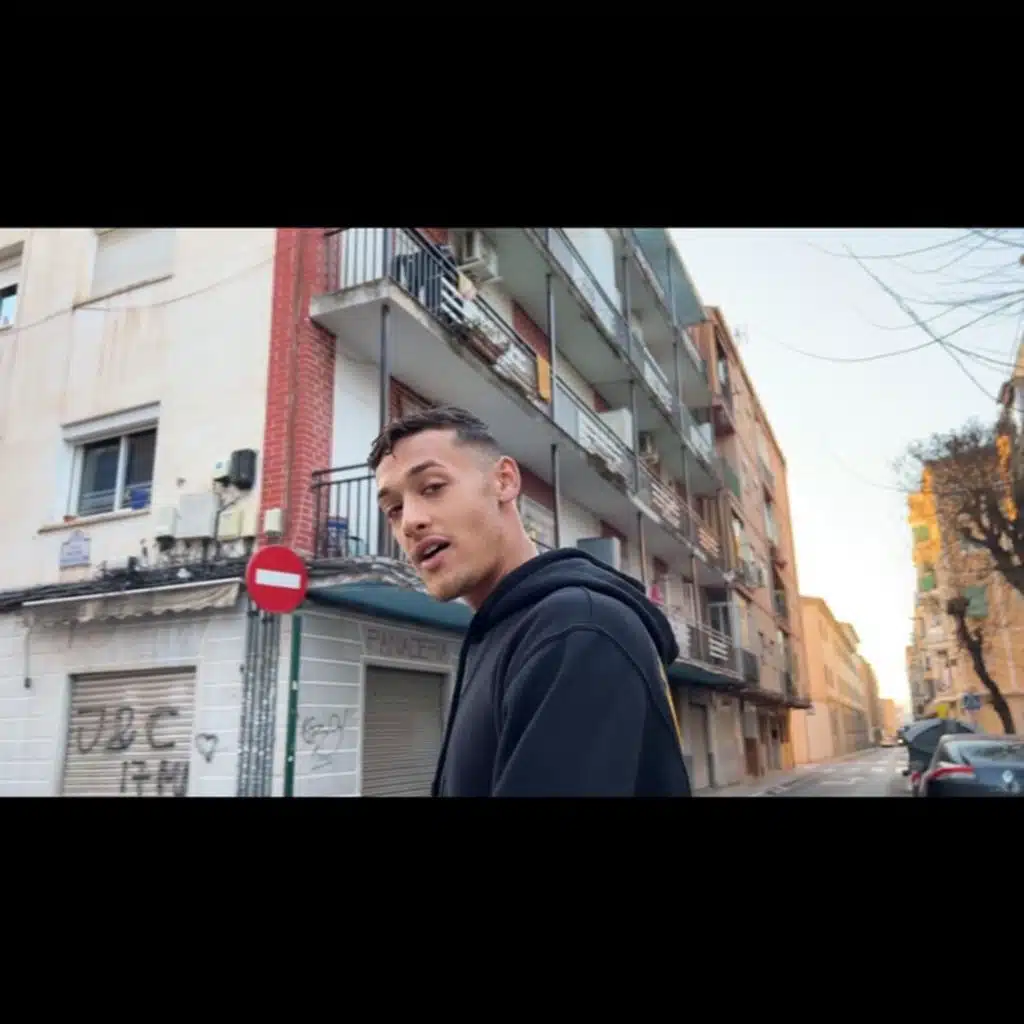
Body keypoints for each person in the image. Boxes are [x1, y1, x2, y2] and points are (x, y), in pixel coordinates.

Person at [369, 404, 692, 797]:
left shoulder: (578, 628)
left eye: (433, 487)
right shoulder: (502, 632)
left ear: (504, 481)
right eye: (394, 509)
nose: (410, 522)